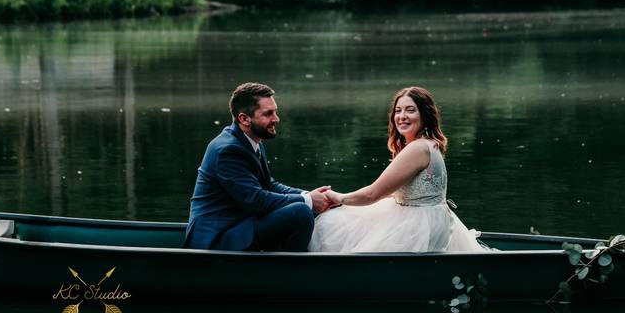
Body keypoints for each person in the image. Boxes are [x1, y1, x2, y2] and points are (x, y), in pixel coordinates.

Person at [308, 86, 486, 253]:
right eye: (398, 111)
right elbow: (399, 191)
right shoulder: (429, 144)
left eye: (410, 110)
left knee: (331, 222)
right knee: (351, 219)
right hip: (433, 219)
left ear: (425, 115)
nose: (402, 116)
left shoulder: (418, 148)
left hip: (418, 226)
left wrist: (339, 198)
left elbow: (372, 194)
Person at [185, 82, 333, 251]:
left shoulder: (251, 141)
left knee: (307, 207)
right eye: (268, 114)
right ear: (244, 119)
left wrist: (308, 195)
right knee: (301, 213)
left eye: (275, 112)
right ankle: (289, 273)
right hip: (217, 237)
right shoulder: (228, 150)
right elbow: (255, 200)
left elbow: (269, 185)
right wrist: (308, 201)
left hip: (240, 225)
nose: (276, 119)